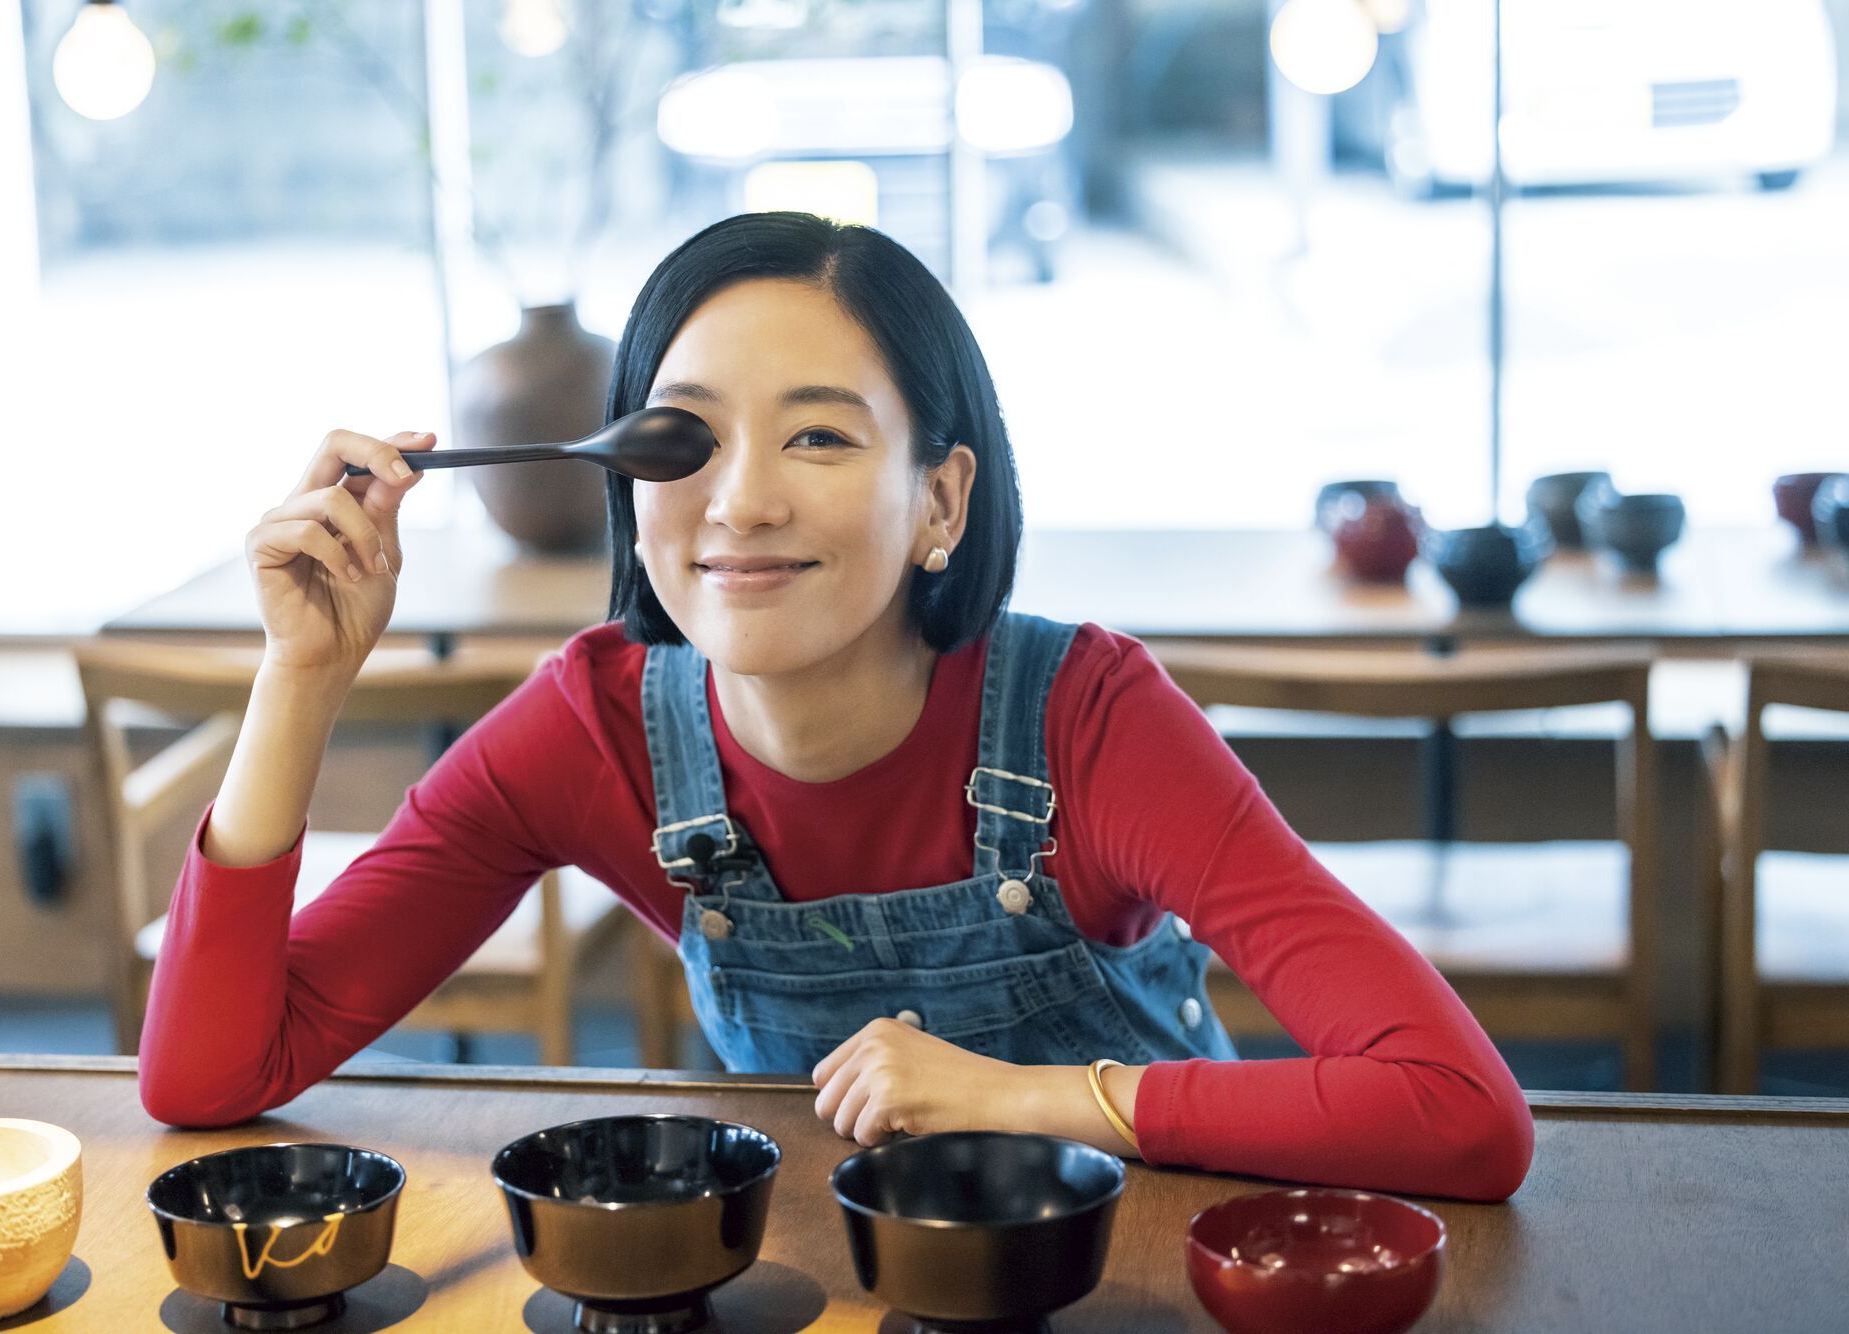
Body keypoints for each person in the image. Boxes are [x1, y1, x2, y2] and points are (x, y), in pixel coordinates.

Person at [139, 212, 1532, 1202]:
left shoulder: (1090, 719)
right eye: (685, 438)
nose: (741, 499)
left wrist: (1013, 1094)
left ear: (940, 500)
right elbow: (212, 1074)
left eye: (818, 434)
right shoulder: (593, 730)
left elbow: (1461, 1111)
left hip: (1143, 1266)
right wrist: (304, 676)